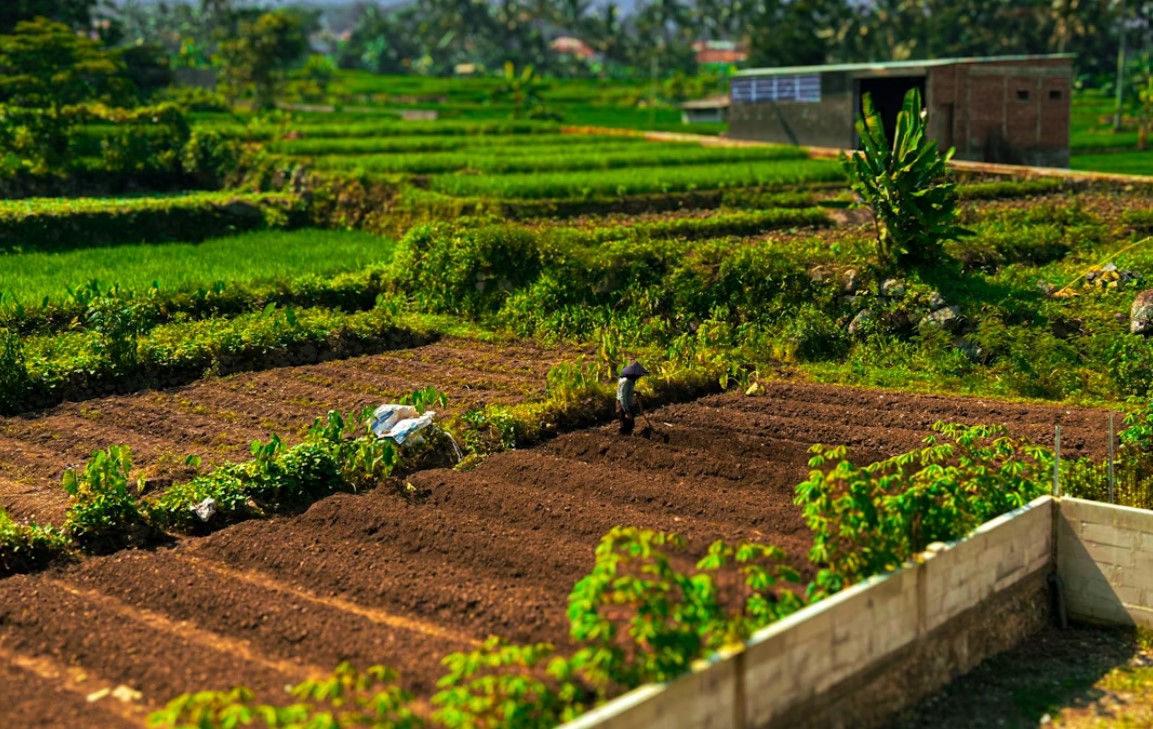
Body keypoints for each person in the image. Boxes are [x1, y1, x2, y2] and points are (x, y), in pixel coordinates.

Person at [616, 360, 648, 435]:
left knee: (630, 425)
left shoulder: (629, 380)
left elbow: (626, 391)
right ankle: (623, 441)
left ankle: (627, 439)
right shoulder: (626, 381)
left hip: (627, 404)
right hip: (623, 405)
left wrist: (635, 392)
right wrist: (627, 412)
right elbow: (622, 397)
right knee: (625, 425)